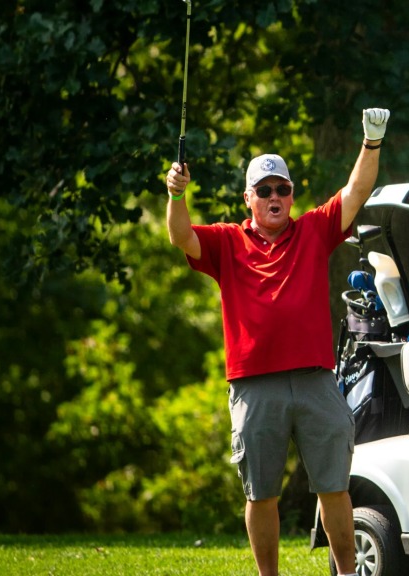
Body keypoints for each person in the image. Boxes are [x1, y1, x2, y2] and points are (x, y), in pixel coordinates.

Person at [163, 108, 391, 576]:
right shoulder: (227, 241)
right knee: (260, 493)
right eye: (264, 190)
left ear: (291, 195)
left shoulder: (313, 228)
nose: (274, 196)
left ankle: (347, 573)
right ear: (248, 197)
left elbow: (357, 192)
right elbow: (180, 235)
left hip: (315, 380)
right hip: (254, 386)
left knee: (335, 486)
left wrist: (371, 142)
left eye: (282, 189)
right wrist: (176, 194)